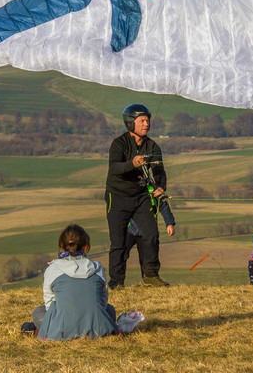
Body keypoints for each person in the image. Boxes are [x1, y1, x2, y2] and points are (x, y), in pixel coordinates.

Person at [104, 103, 169, 288]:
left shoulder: (152, 145)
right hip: (117, 196)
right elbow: (114, 168)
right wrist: (131, 163)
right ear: (130, 123)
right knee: (118, 241)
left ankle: (150, 274)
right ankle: (117, 281)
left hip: (141, 196)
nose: (146, 124)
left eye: (147, 120)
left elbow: (159, 171)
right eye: (142, 121)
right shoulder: (119, 144)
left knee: (151, 234)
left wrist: (160, 187)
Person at [26, 224, 119, 341]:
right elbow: (103, 301)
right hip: (98, 329)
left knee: (38, 312)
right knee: (110, 310)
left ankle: (40, 331)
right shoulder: (97, 268)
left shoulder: (53, 269)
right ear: (86, 247)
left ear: (61, 245)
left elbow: (49, 305)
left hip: (62, 331)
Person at [124, 198, 176, 279]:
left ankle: (150, 279)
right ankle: (118, 283)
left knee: (149, 255)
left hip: (147, 230)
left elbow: (163, 205)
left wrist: (169, 223)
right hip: (129, 229)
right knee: (121, 255)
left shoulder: (153, 190)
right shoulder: (128, 189)